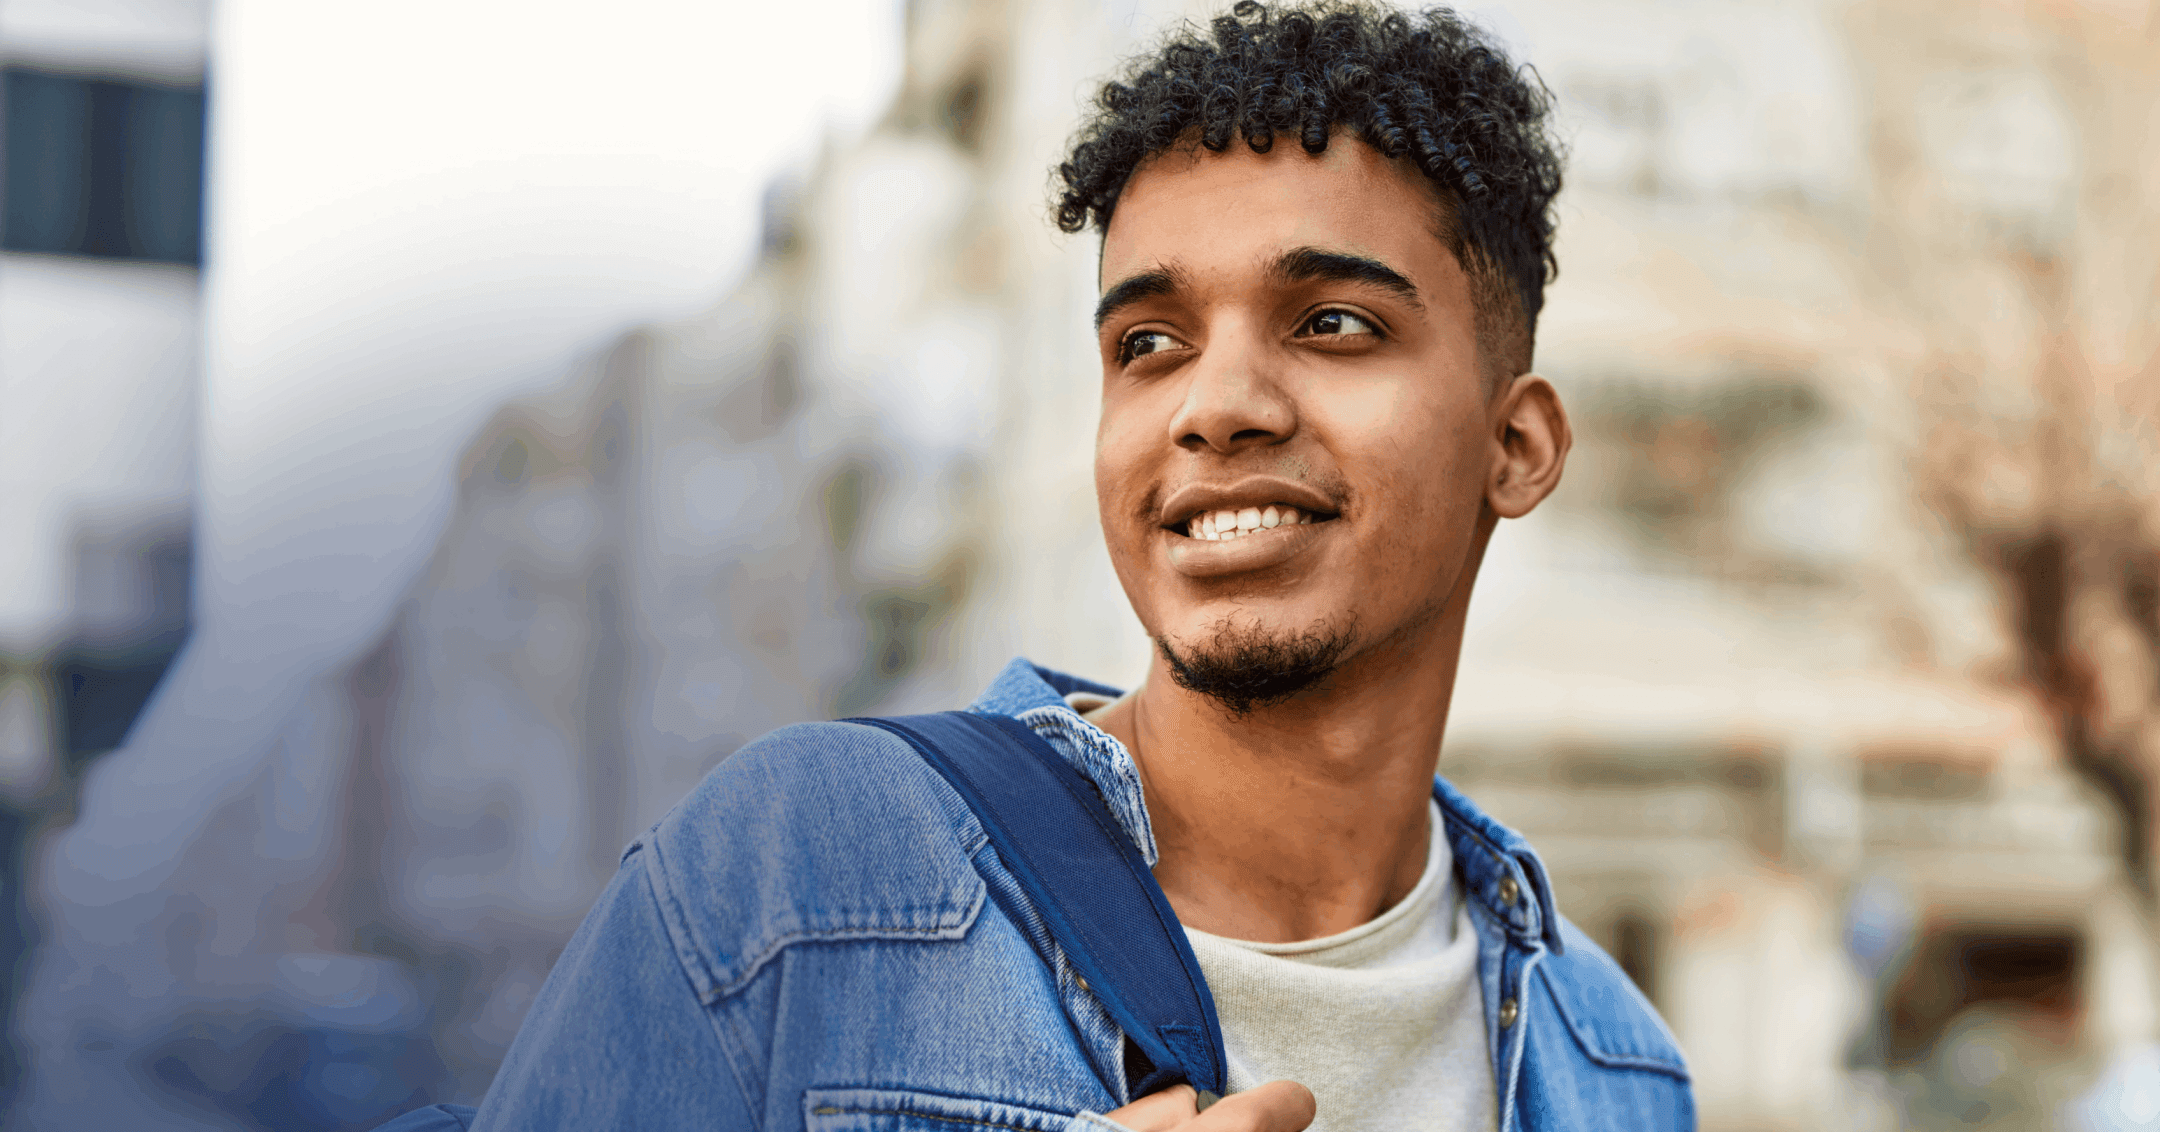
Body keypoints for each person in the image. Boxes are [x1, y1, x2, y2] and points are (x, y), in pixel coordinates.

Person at [441, 3, 1694, 1129]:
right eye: (1148, 341)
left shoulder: (1616, 1068)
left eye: (1332, 324)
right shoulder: (803, 870)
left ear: (1516, 446)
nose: (1217, 405)